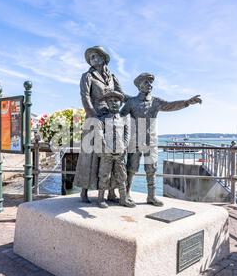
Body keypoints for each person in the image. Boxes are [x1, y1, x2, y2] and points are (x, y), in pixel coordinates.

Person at [121, 73, 202, 207]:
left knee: (151, 169)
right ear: (139, 85)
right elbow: (120, 116)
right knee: (131, 168)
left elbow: (170, 105)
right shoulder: (131, 102)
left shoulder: (155, 102)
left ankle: (151, 196)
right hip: (135, 141)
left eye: (150, 83)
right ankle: (127, 194)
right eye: (146, 82)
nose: (149, 85)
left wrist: (187, 102)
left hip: (151, 141)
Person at [74, 46, 127, 203]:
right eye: (91, 58)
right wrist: (93, 116)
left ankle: (111, 192)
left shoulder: (112, 77)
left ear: (104, 58)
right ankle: (83, 191)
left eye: (96, 56)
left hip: (110, 117)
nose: (93, 59)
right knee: (89, 155)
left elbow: (121, 95)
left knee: (110, 155)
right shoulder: (87, 76)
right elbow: (85, 96)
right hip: (94, 117)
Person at [95, 91, 135, 209]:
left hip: (120, 152)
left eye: (116, 101)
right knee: (104, 175)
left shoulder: (123, 119)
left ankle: (123, 198)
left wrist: (124, 146)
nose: (113, 103)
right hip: (106, 153)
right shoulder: (101, 119)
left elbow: (127, 134)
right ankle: (101, 198)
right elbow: (99, 135)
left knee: (122, 175)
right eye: (110, 101)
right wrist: (104, 147)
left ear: (121, 103)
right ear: (107, 103)